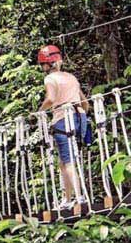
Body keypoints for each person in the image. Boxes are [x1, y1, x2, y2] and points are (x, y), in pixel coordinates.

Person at [37, 45, 89, 210]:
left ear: (47, 64)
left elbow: (51, 99)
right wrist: (81, 117)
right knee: (64, 161)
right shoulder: (71, 77)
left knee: (68, 161)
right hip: (79, 118)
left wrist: (39, 112)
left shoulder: (50, 79)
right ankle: (67, 199)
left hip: (63, 120)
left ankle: (79, 198)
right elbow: (85, 103)